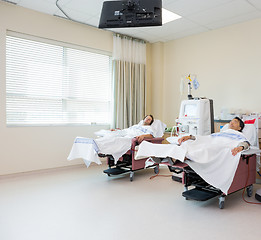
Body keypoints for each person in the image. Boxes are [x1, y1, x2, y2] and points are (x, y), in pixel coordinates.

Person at [178, 117, 250, 156]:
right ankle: (181, 155)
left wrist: (240, 147)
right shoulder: (222, 133)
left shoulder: (239, 135)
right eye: (231, 121)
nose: (232, 122)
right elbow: (207, 138)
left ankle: (183, 156)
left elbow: (245, 143)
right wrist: (190, 137)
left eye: (235, 122)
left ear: (239, 128)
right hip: (211, 144)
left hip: (218, 147)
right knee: (188, 143)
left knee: (206, 149)